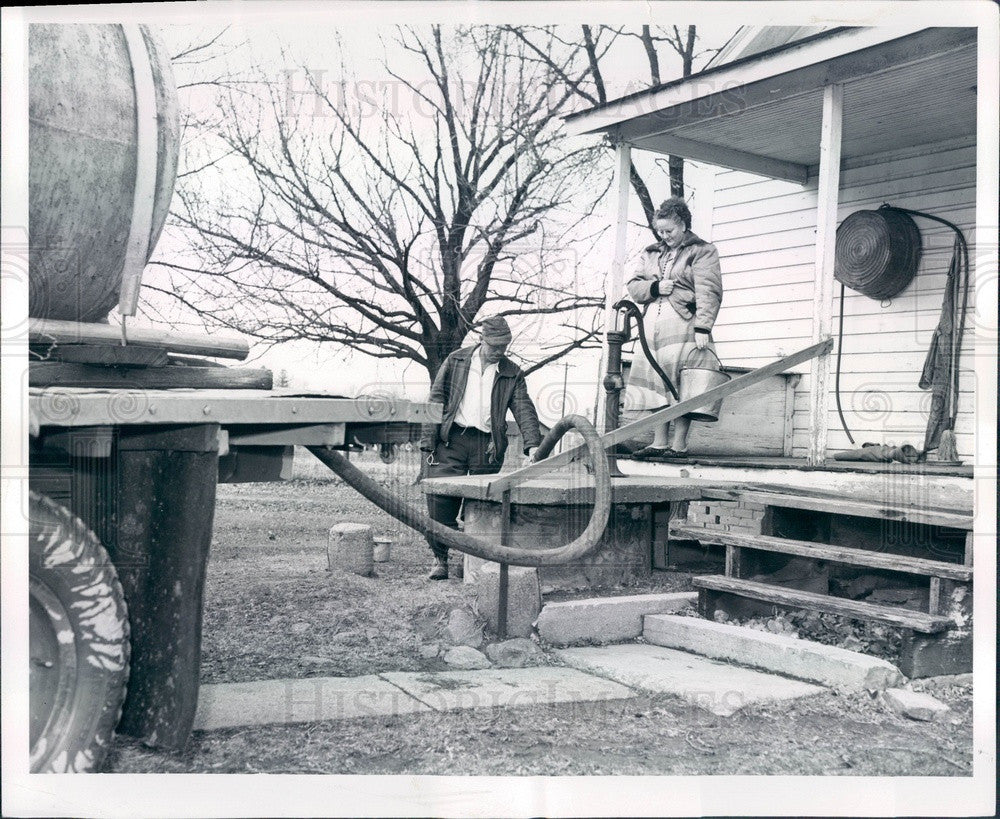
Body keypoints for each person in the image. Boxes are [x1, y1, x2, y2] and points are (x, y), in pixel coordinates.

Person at [419, 316, 542, 580]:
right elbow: (436, 398)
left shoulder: (512, 372)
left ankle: (471, 562)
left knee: (479, 508)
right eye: (495, 345)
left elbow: (524, 409)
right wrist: (428, 441)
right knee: (441, 503)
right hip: (451, 441)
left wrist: (533, 446)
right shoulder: (456, 361)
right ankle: (440, 559)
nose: (499, 351)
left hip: (487, 446)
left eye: (504, 346)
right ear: (482, 340)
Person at [624, 196, 723, 459]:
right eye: (660, 231)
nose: (664, 235)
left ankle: (678, 445)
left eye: (669, 231)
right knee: (657, 380)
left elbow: (708, 290)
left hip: (685, 324)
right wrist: (655, 288)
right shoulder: (651, 252)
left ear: (683, 225)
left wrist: (703, 326)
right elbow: (634, 285)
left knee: (685, 381)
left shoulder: (702, 250)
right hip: (652, 327)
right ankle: (659, 443)